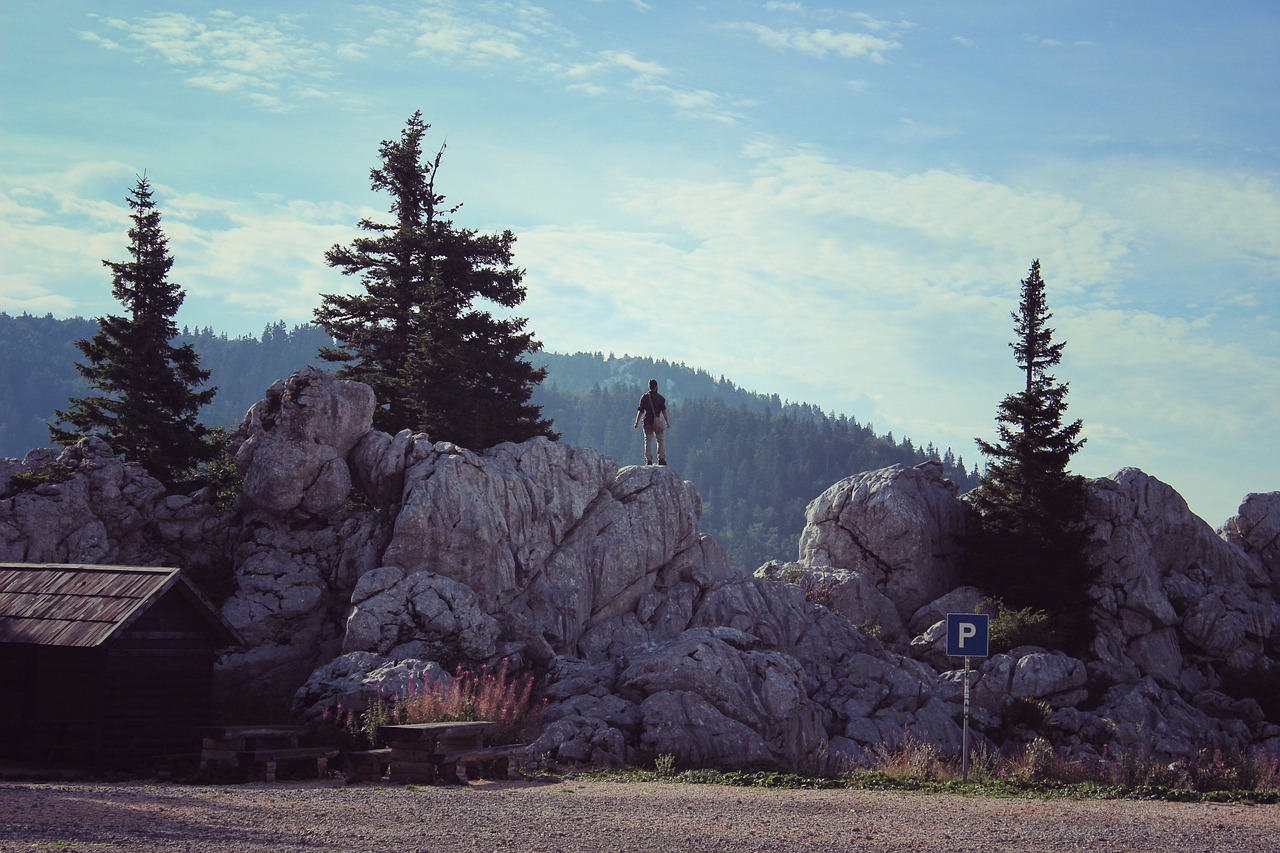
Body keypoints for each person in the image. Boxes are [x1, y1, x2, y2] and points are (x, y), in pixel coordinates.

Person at [632, 378, 671, 465]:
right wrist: (667, 422)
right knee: (660, 440)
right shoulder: (660, 398)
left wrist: (636, 422)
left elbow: (641, 410)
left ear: (649, 387)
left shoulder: (644, 397)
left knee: (648, 441)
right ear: (656, 387)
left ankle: (649, 460)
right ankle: (661, 459)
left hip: (647, 421)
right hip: (657, 421)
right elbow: (664, 411)